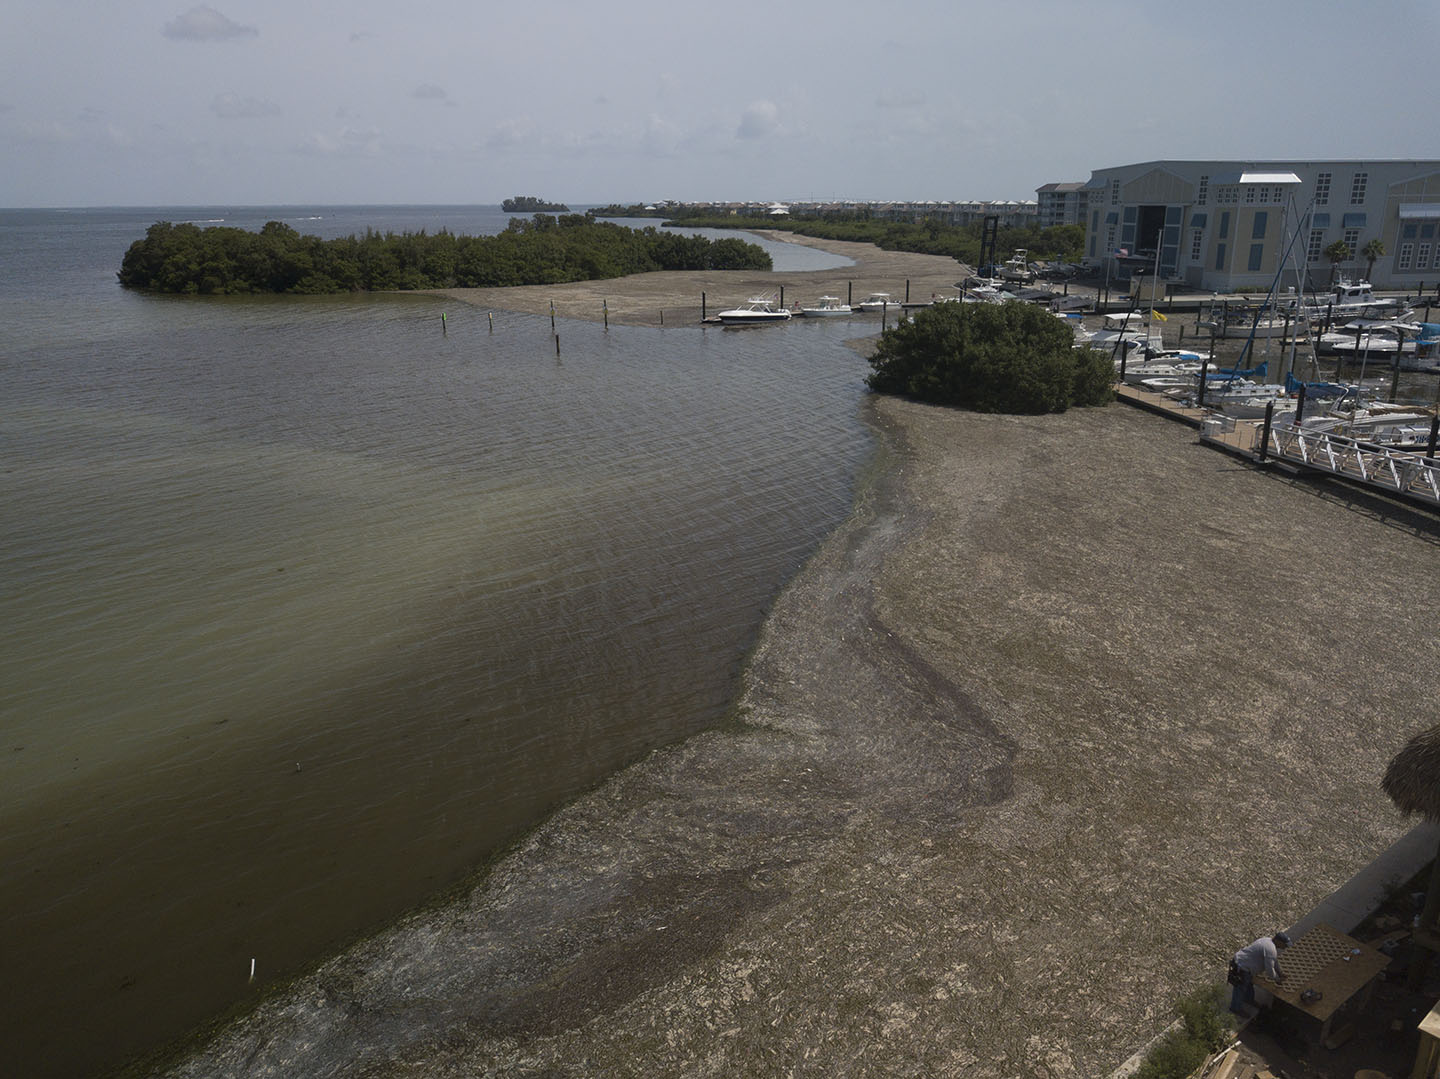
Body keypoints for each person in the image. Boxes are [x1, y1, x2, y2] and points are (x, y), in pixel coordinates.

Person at [1229, 931, 1291, 1016]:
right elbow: (1270, 970)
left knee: (1248, 985)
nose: (1285, 947)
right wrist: (1277, 979)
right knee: (1240, 989)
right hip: (1242, 967)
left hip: (1245, 965)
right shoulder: (1270, 949)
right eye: (1285, 945)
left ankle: (1248, 999)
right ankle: (1235, 1008)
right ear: (1278, 941)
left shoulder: (1267, 940)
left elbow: (1274, 960)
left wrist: (1280, 972)